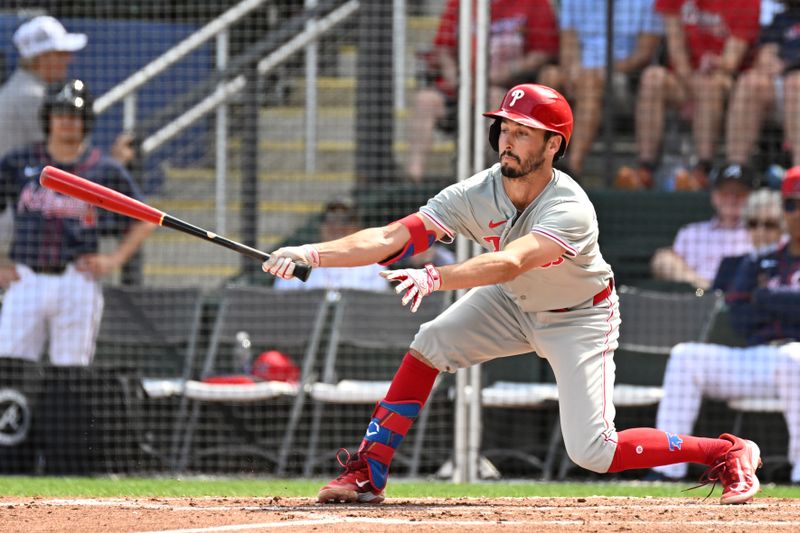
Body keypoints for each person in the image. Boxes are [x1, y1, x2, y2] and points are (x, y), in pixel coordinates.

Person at [264, 84, 762, 505]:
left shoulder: (570, 206)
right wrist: (311, 252)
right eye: (505, 127)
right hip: (510, 302)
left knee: (594, 452)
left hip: (578, 316)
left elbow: (511, 261)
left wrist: (437, 278)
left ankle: (724, 452)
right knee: (431, 342)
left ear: (553, 145)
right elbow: (393, 237)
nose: (508, 139)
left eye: (523, 132)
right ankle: (368, 474)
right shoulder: (475, 192)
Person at [651, 166, 800, 484]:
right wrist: (782, 304)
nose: (796, 213)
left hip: (795, 360)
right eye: (790, 205)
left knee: (794, 357)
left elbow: (762, 303)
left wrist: (765, 296)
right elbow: (738, 314)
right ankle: (665, 469)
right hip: (759, 357)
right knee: (685, 356)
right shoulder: (755, 260)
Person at [0, 79, 154, 366]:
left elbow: (145, 218)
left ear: (86, 120)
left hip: (77, 278)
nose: (67, 122)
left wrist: (113, 260)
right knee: (10, 366)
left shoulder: (103, 168)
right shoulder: (18, 161)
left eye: (74, 115)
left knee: (71, 371)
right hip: (25, 277)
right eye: (60, 114)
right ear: (48, 118)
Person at [404, 0, 559, 182]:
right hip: (460, 87)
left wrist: (503, 73)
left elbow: (542, 53)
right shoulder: (460, 4)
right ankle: (412, 180)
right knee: (426, 100)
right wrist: (457, 78)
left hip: (507, 89)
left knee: (495, 100)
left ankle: (483, 180)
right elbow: (443, 49)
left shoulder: (535, 4)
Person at [618, 0, 761, 190]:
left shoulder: (748, 3)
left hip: (724, 81)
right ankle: (645, 170)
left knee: (708, 85)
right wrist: (691, 85)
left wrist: (714, 66)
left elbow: (731, 62)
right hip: (684, 78)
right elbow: (675, 47)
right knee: (652, 78)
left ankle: (703, 170)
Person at [537, 0, 664, 179]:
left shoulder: (645, 2)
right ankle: (539, 164)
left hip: (623, 76)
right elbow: (568, 46)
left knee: (590, 82)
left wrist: (602, 72)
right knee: (549, 76)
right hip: (580, 71)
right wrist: (572, 70)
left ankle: (572, 168)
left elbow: (643, 54)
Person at [650, 163, 756, 290]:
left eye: (740, 194)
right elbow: (663, 264)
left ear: (752, 197)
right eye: (725, 193)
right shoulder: (692, 232)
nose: (732, 199)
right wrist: (700, 283)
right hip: (698, 298)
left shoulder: (763, 231)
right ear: (714, 196)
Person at [724, 1, 800, 171]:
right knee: (750, 82)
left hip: (795, 85)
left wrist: (790, 65)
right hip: (782, 86)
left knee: (796, 82)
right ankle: (736, 170)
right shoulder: (783, 19)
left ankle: (797, 173)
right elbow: (765, 56)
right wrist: (777, 65)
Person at [274, 196, 388, 291]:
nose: (337, 226)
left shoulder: (373, 263)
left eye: (345, 220)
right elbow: (283, 298)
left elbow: (377, 306)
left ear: (357, 228)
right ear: (321, 226)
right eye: (331, 218)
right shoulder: (303, 259)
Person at [712, 187, 786, 291]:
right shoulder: (730, 265)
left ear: (782, 228)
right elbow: (709, 297)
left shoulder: (790, 265)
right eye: (753, 224)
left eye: (769, 224)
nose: (760, 232)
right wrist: (699, 291)